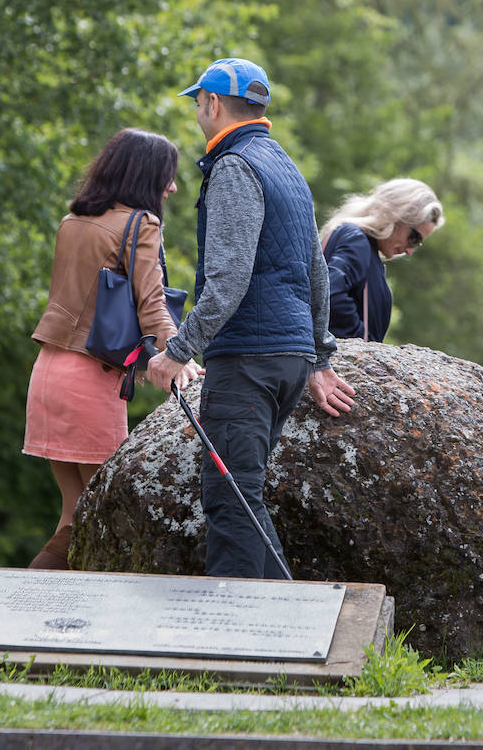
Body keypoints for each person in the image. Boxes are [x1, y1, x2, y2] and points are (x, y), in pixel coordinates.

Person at [145, 57, 355, 580]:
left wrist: (176, 352)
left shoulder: (235, 167)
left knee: (229, 499)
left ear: (213, 104)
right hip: (287, 360)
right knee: (244, 495)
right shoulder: (284, 165)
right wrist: (318, 356)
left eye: (197, 102)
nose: (197, 111)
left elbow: (227, 281)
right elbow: (317, 272)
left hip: (248, 361)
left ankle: (235, 647)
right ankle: (291, 624)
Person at [24, 128, 201, 569]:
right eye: (168, 175)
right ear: (145, 174)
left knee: (74, 516)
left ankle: (27, 613)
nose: (173, 187)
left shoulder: (73, 222)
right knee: (103, 516)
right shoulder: (141, 224)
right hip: (89, 376)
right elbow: (152, 303)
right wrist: (182, 357)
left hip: (48, 370)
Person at [319, 178, 445, 342]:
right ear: (397, 217)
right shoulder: (357, 239)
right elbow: (331, 294)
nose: (409, 251)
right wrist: (362, 342)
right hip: (334, 361)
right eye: (414, 238)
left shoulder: (361, 243)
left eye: (417, 244)